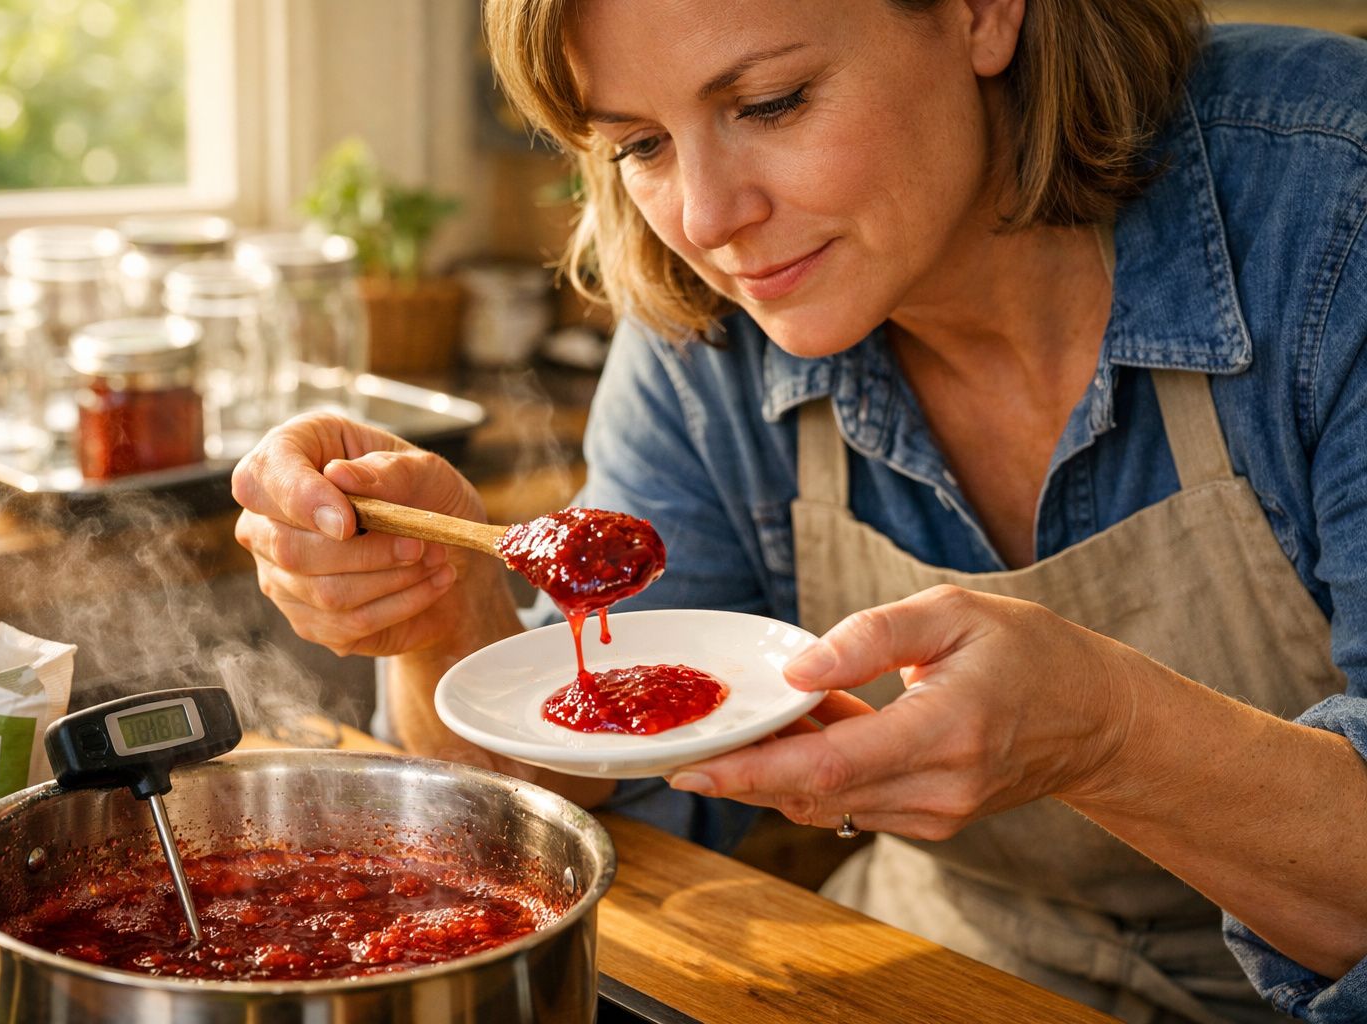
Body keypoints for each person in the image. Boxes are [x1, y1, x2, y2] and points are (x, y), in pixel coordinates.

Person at [231, 1, 1367, 1020]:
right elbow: (589, 810)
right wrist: (438, 617)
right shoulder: (706, 325)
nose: (710, 215)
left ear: (982, 13)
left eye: (771, 102)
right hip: (938, 966)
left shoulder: (1334, 210)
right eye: (638, 144)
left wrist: (1108, 731)